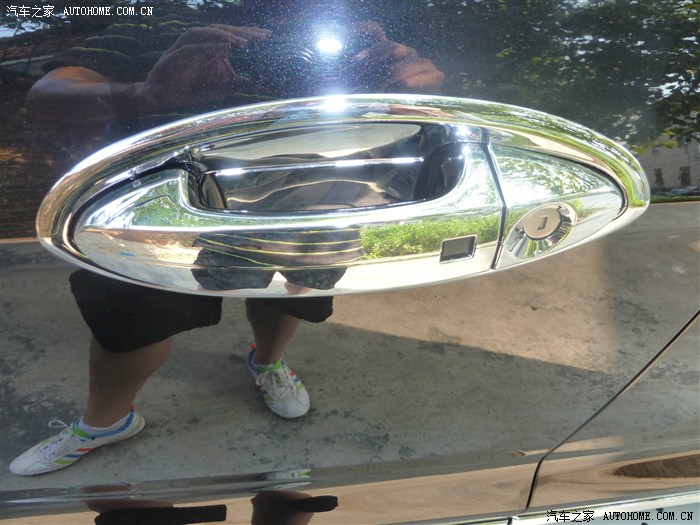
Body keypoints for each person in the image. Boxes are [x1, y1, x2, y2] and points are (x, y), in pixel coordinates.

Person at [10, 11, 444, 476]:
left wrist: (412, 85)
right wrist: (145, 93)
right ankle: (106, 422)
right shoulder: (158, 17)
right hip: (169, 206)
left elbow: (414, 112)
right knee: (128, 324)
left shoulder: (342, 24)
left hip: (314, 194)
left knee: (292, 291)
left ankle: (267, 362)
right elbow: (47, 96)